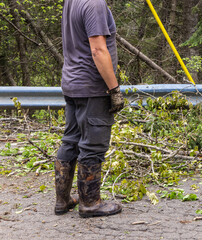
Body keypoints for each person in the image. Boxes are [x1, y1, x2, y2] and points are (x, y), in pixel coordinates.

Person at [54, 0, 124, 218]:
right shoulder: (94, 3)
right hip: (92, 86)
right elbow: (97, 49)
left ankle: (63, 200)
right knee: (93, 144)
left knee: (71, 140)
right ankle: (90, 203)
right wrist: (114, 89)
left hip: (72, 82)